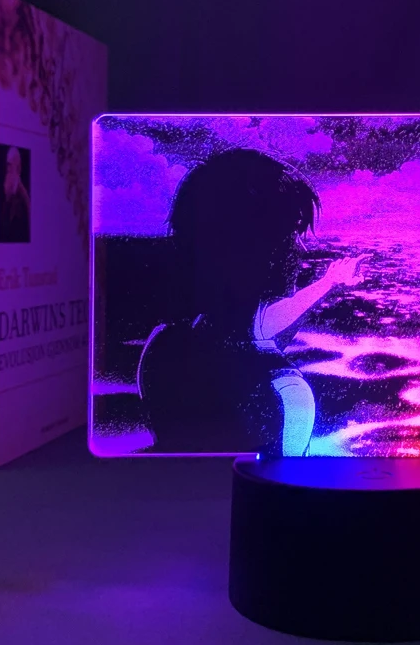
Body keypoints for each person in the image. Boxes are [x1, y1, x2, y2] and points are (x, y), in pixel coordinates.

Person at [136, 149, 363, 455]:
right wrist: (329, 283)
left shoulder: (163, 346)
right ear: (259, 249)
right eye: (291, 235)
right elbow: (264, 324)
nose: (300, 251)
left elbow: (259, 328)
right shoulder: (282, 388)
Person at [0, 145, 31, 242]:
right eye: (7, 165)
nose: (8, 169)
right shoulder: (8, 187)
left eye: (10, 165)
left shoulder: (22, 195)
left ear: (18, 167)